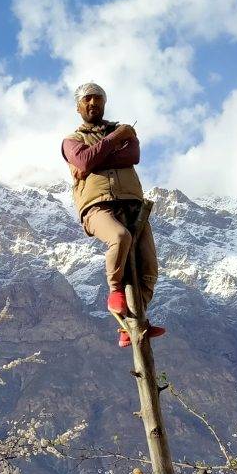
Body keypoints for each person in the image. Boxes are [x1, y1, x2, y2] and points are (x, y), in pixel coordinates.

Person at [61, 82, 165, 346]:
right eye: (87, 100)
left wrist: (95, 158)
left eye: (97, 99)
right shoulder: (72, 141)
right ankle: (115, 291)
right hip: (97, 206)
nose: (93, 104)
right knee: (119, 237)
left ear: (104, 103)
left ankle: (132, 323)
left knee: (149, 267)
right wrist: (114, 140)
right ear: (78, 106)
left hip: (133, 205)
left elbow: (133, 155)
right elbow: (83, 160)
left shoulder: (123, 134)